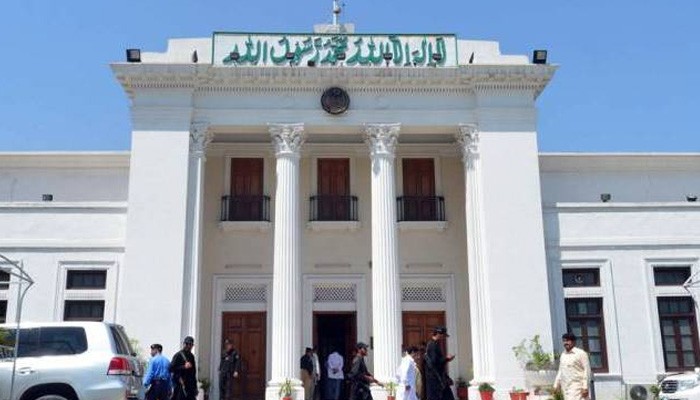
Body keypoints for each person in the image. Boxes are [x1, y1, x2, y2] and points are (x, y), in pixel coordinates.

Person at [554, 333, 591, 400]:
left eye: (568, 341)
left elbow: (587, 371)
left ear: (574, 342)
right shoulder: (563, 355)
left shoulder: (581, 354)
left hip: (577, 386)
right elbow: (561, 370)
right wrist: (556, 384)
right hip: (565, 386)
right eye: (564, 341)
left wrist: (585, 387)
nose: (566, 343)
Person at [424, 327, 455, 400]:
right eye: (443, 336)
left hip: (439, 378)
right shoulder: (432, 345)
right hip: (435, 380)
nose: (443, 338)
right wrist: (446, 358)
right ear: (438, 334)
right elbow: (434, 362)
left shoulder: (434, 344)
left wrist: (446, 360)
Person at [170, 336, 198, 400]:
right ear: (184, 344)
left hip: (190, 386)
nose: (188, 346)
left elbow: (193, 372)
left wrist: (195, 387)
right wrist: (183, 367)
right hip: (180, 384)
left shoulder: (191, 356)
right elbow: (171, 368)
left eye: (190, 344)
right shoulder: (178, 355)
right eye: (187, 344)